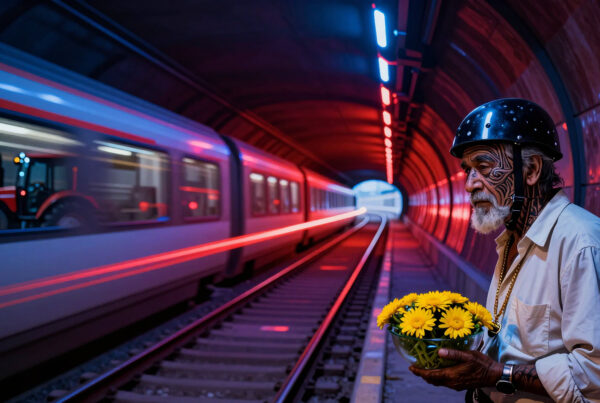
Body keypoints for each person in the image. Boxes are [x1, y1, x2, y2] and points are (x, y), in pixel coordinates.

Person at [409, 98, 600, 402]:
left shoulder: (580, 242)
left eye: (483, 167)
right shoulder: (511, 239)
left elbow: (594, 374)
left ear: (532, 170)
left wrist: (497, 375)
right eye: (467, 171)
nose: (470, 184)